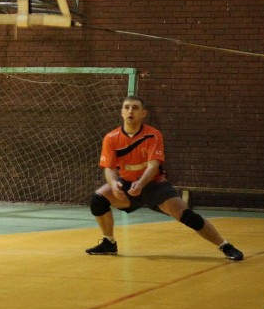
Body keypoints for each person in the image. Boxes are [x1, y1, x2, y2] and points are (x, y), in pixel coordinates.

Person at [85, 96, 244, 261]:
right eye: (127, 107)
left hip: (154, 185)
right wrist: (113, 183)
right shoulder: (111, 138)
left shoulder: (153, 135)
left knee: (187, 216)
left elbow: (153, 165)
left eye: (135, 108)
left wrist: (141, 183)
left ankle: (225, 245)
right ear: (122, 112)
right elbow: (109, 168)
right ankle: (109, 242)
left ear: (143, 113)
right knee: (98, 199)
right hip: (127, 185)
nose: (130, 111)